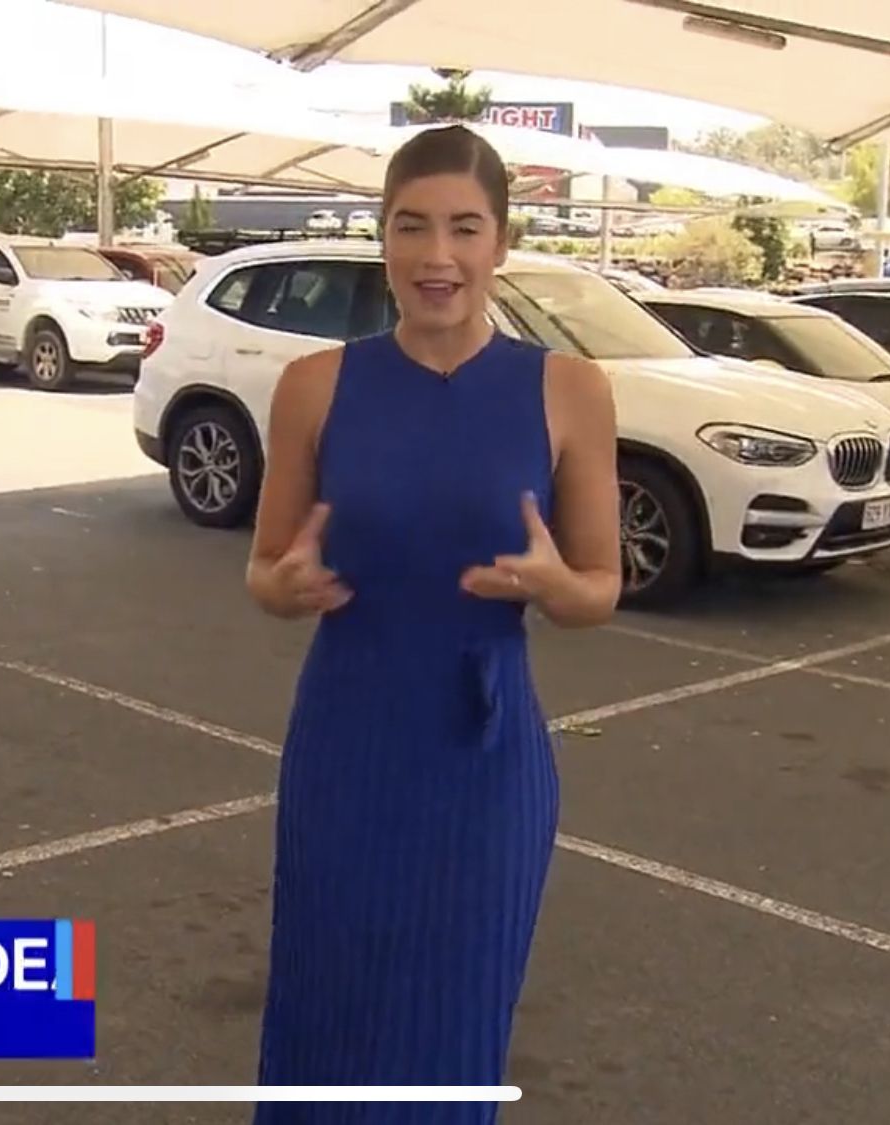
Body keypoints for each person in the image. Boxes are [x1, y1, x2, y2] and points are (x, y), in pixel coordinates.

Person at [245, 124, 623, 1122]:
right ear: (383, 240)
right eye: (410, 227)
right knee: (328, 1000)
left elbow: (599, 588)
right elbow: (265, 569)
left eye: (464, 227)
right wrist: (286, 587)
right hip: (347, 739)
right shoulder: (315, 385)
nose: (436, 255)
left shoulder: (569, 389)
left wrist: (553, 584)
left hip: (484, 756)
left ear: (501, 242)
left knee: (455, 1016)